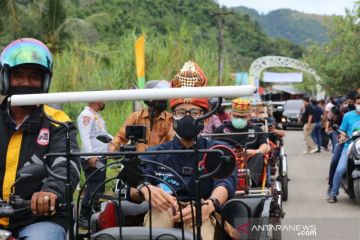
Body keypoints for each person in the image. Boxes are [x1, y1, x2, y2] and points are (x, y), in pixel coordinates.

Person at [128, 61, 236, 240]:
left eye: (194, 113)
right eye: (181, 112)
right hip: (163, 211)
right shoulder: (154, 154)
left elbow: (225, 183)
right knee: (159, 213)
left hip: (202, 211)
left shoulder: (217, 151)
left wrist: (209, 205)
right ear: (172, 119)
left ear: (205, 119)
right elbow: (131, 184)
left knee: (198, 221)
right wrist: (144, 189)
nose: (187, 117)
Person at [0, 38, 80, 239]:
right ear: (5, 78)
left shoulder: (58, 122)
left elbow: (67, 164)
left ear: (45, 81)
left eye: (34, 76)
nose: (26, 83)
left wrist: (51, 191)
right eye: (18, 75)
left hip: (41, 220)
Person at [215, 98, 270, 187]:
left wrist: (256, 152)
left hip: (249, 161)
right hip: (226, 161)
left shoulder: (256, 130)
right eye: (236, 116)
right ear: (230, 114)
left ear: (249, 116)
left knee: (260, 156)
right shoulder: (221, 129)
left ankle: (249, 181)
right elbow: (211, 146)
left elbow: (265, 146)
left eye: (243, 117)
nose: (239, 119)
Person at [109, 80, 175, 152]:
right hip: (140, 161)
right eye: (161, 97)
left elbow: (173, 139)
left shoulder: (169, 119)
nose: (164, 100)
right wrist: (113, 148)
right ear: (150, 99)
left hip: (160, 161)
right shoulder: (135, 117)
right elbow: (121, 136)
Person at [77, 100, 111, 226]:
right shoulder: (86, 115)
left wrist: (115, 143)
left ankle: (93, 213)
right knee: (93, 187)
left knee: (99, 187)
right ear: (96, 101)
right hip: (92, 158)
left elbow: (103, 135)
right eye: (102, 100)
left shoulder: (95, 115)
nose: (104, 102)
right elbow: (85, 137)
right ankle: (84, 217)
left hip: (100, 157)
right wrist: (90, 156)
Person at [328, 93, 360, 203]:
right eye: (358, 103)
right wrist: (342, 137)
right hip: (349, 146)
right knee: (340, 169)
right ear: (355, 103)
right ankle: (333, 193)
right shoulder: (348, 116)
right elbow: (342, 131)